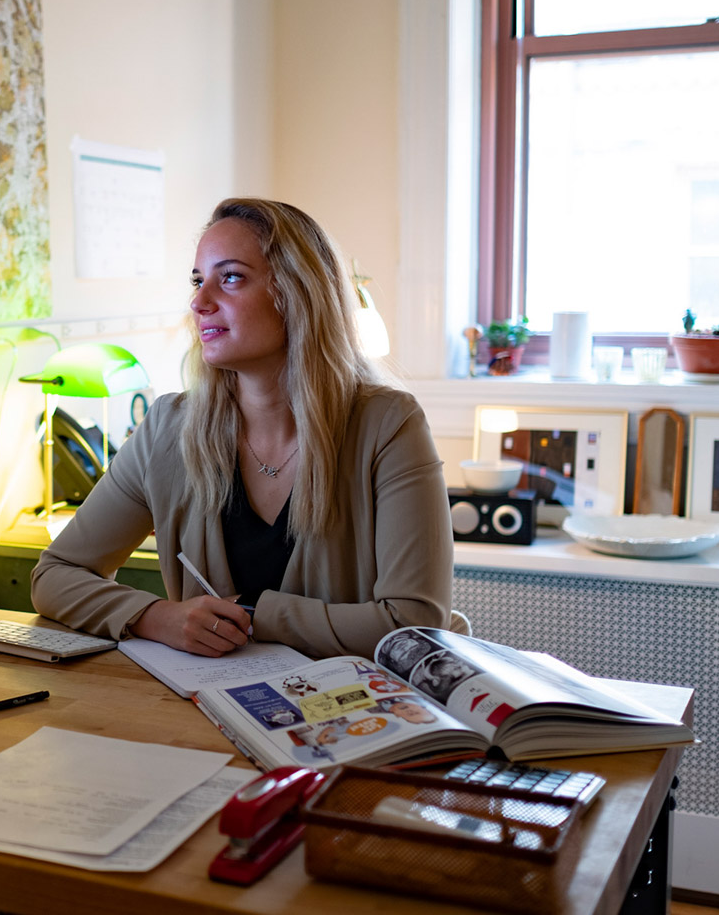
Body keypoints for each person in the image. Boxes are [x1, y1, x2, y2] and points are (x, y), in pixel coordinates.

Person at [31, 198, 454, 660]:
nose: (199, 302)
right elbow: (55, 575)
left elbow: (414, 622)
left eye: (229, 277)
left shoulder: (389, 426)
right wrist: (156, 617)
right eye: (197, 281)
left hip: (355, 720)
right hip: (210, 716)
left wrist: (252, 614)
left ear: (297, 292)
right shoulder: (167, 430)